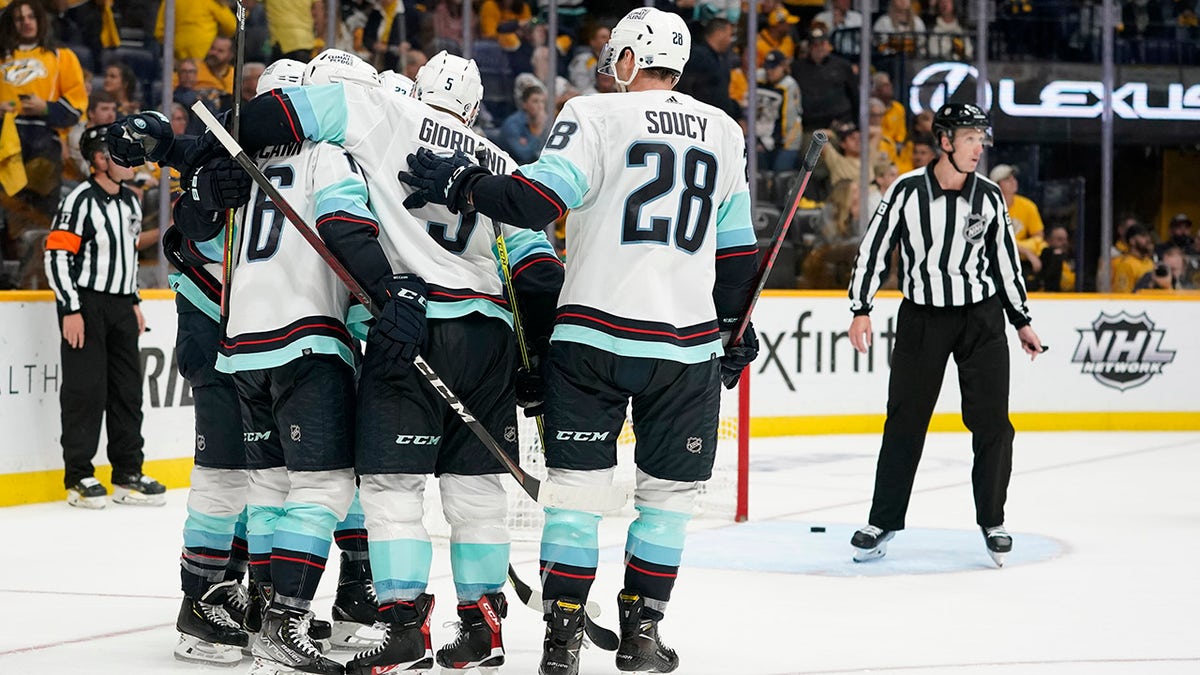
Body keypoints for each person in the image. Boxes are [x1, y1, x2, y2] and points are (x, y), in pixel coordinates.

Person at [398, 8, 761, 674]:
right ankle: (642, 633)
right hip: (685, 346)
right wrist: (736, 328)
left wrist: (465, 182)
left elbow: (535, 202)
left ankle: (561, 643)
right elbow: (738, 256)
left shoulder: (594, 114)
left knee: (575, 492)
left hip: (592, 334)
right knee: (668, 497)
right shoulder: (727, 130)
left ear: (628, 59)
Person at [194, 47, 563, 674]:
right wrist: (539, 362)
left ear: (417, 88)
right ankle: (483, 626)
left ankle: (401, 627)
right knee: (476, 492)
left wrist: (206, 161)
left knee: (392, 490)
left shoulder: (382, 112)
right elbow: (537, 273)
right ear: (474, 108)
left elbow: (270, 124)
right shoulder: (501, 161)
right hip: (490, 334)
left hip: (409, 324)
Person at [845, 103, 1043, 568]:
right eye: (970, 138)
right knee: (905, 422)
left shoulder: (991, 195)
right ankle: (884, 520)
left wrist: (1021, 320)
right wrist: (861, 309)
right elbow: (874, 250)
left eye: (982, 139)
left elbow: (1005, 263)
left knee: (993, 423)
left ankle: (992, 520)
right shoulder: (906, 191)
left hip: (982, 318)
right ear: (946, 141)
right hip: (923, 318)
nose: (979, 148)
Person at [43, 125, 165, 509]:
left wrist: (132, 300)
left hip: (120, 307)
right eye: (122, 155)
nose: (132, 163)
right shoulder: (79, 200)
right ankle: (78, 476)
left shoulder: (130, 201)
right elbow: (57, 254)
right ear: (99, 160)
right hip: (86, 304)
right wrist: (70, 307)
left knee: (128, 392)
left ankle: (128, 473)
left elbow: (126, 255)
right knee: (84, 392)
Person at [0, 0, 89, 265]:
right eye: (19, 18)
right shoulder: (2, 57)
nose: (26, 22)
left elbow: (76, 108)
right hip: (4, 146)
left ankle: (35, 279)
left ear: (41, 20)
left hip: (43, 147)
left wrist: (46, 107)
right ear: (10, 23)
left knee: (40, 218)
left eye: (31, 17)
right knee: (6, 220)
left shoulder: (62, 57)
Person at [755, 50, 802, 172]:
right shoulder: (757, 78)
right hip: (761, 137)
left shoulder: (789, 86)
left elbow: (787, 122)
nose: (769, 71)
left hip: (786, 140)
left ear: (783, 67)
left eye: (774, 68)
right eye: (767, 67)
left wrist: (769, 142)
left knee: (780, 176)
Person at [989, 164, 1045, 257]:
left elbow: (1038, 237)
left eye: (1013, 178)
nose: (1013, 182)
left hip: (1021, 257)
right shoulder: (988, 207)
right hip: (997, 255)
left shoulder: (1028, 205)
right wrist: (1025, 251)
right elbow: (994, 241)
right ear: (996, 185)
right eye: (1007, 179)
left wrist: (1022, 249)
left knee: (1047, 251)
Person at [1111, 223, 1155, 293]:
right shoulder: (1126, 265)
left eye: (1148, 235)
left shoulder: (1149, 262)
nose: (1148, 239)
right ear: (1132, 241)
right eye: (1143, 236)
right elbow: (1122, 296)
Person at [1036, 223, 1076, 292]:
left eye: (1065, 239)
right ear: (1048, 241)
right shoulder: (1045, 256)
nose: (1064, 243)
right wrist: (1057, 258)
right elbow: (1048, 282)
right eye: (1059, 239)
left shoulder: (1074, 257)